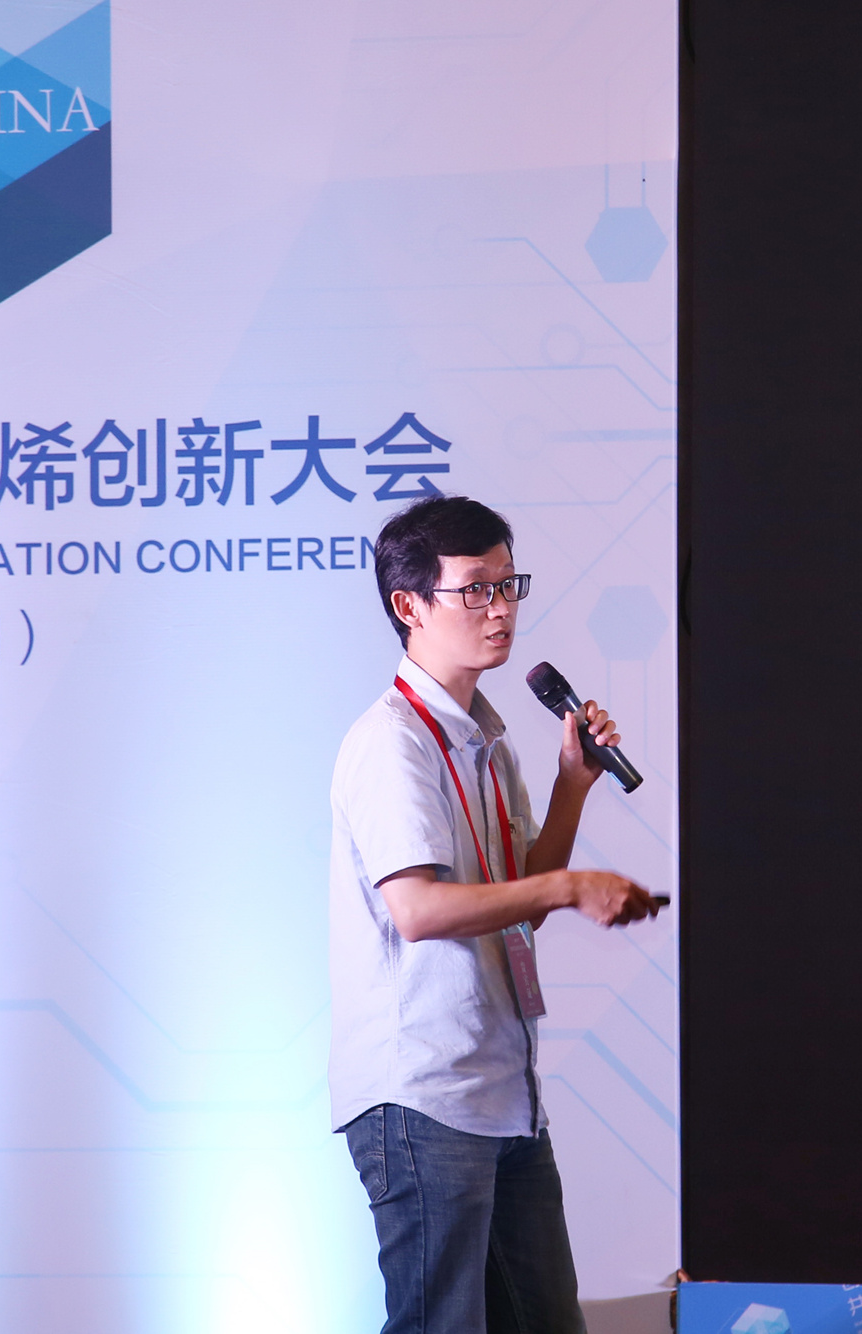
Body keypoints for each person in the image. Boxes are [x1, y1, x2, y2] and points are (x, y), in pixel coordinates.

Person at [329, 494, 660, 1334]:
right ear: (409, 606)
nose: (501, 608)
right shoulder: (393, 741)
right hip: (425, 1097)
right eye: (475, 588)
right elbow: (417, 909)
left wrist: (573, 785)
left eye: (510, 586)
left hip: (504, 1094)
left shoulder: (489, 740)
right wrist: (569, 887)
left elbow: (519, 902)